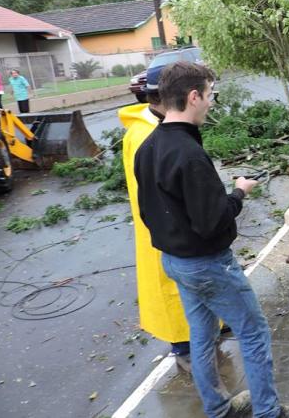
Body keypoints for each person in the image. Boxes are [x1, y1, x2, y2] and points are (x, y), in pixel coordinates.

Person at [134, 61, 289, 418]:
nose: (212, 103)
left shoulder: (148, 146)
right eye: (211, 95)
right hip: (207, 264)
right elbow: (212, 222)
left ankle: (218, 409)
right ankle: (269, 412)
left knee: (201, 336)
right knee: (253, 333)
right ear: (194, 96)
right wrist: (239, 193)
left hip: (175, 262)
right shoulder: (188, 154)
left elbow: (147, 212)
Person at [118, 63, 194, 372]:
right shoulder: (146, 135)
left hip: (168, 223)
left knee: (185, 286)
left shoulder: (156, 126)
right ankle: (183, 347)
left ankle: (200, 333)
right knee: (171, 288)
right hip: (165, 227)